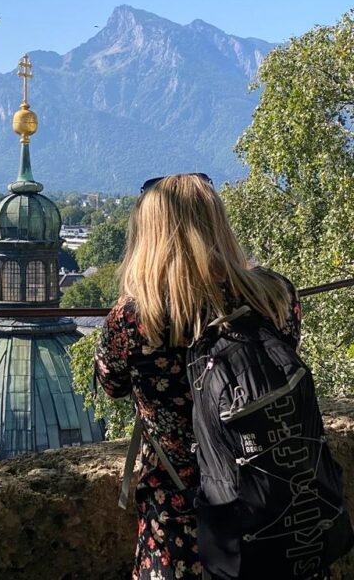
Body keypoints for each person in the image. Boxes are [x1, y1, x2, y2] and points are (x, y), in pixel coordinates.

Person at [94, 173, 305, 580]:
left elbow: (111, 384)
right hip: (276, 511)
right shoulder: (276, 295)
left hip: (179, 522)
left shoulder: (134, 319)